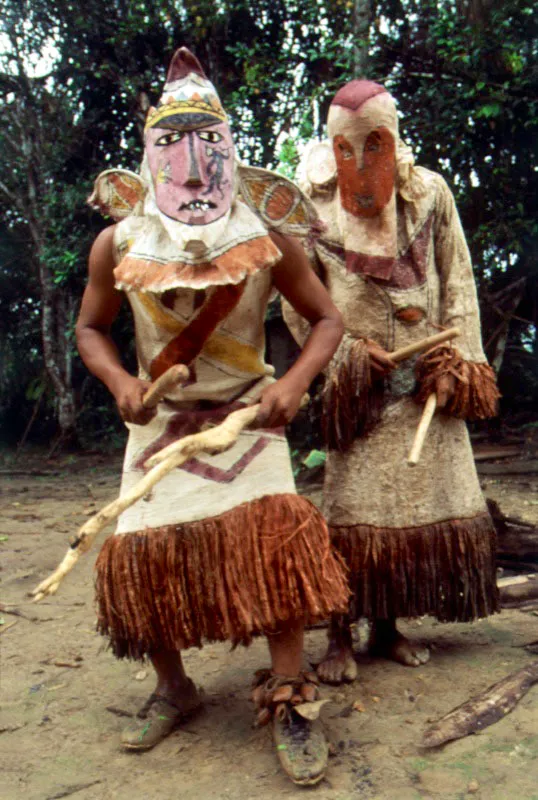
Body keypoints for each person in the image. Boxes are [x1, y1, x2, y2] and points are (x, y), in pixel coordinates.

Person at [77, 47, 349, 785]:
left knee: (278, 549)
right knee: (141, 559)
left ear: (230, 154)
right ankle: (174, 686)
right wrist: (119, 384)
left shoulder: (264, 238)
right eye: (171, 149)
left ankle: (291, 694)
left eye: (207, 149)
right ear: (148, 159)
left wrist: (291, 383)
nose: (193, 171)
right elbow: (91, 330)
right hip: (158, 428)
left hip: (249, 421)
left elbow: (327, 321)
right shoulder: (119, 242)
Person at [283, 79, 500, 684]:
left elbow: (457, 280)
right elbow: (298, 303)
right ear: (330, 146)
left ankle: (387, 628)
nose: (360, 162)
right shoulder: (312, 204)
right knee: (351, 512)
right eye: (346, 148)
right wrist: (345, 356)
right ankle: (337, 635)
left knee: (407, 514)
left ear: (395, 138)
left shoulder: (429, 192)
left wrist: (460, 362)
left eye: (375, 145)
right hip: (356, 388)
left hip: (427, 377)